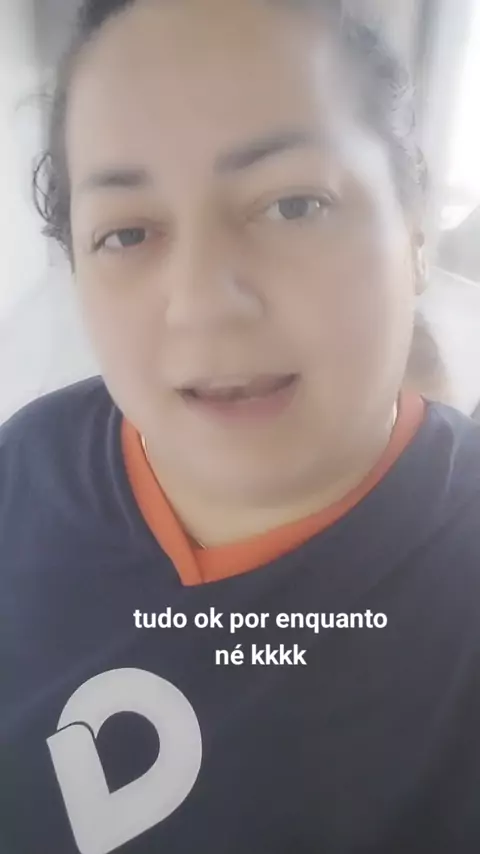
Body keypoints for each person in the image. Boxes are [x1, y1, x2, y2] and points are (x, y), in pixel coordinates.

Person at [2, 1, 480, 851]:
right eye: (127, 233)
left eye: (294, 204)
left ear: (413, 233)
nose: (203, 304)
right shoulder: (23, 473)